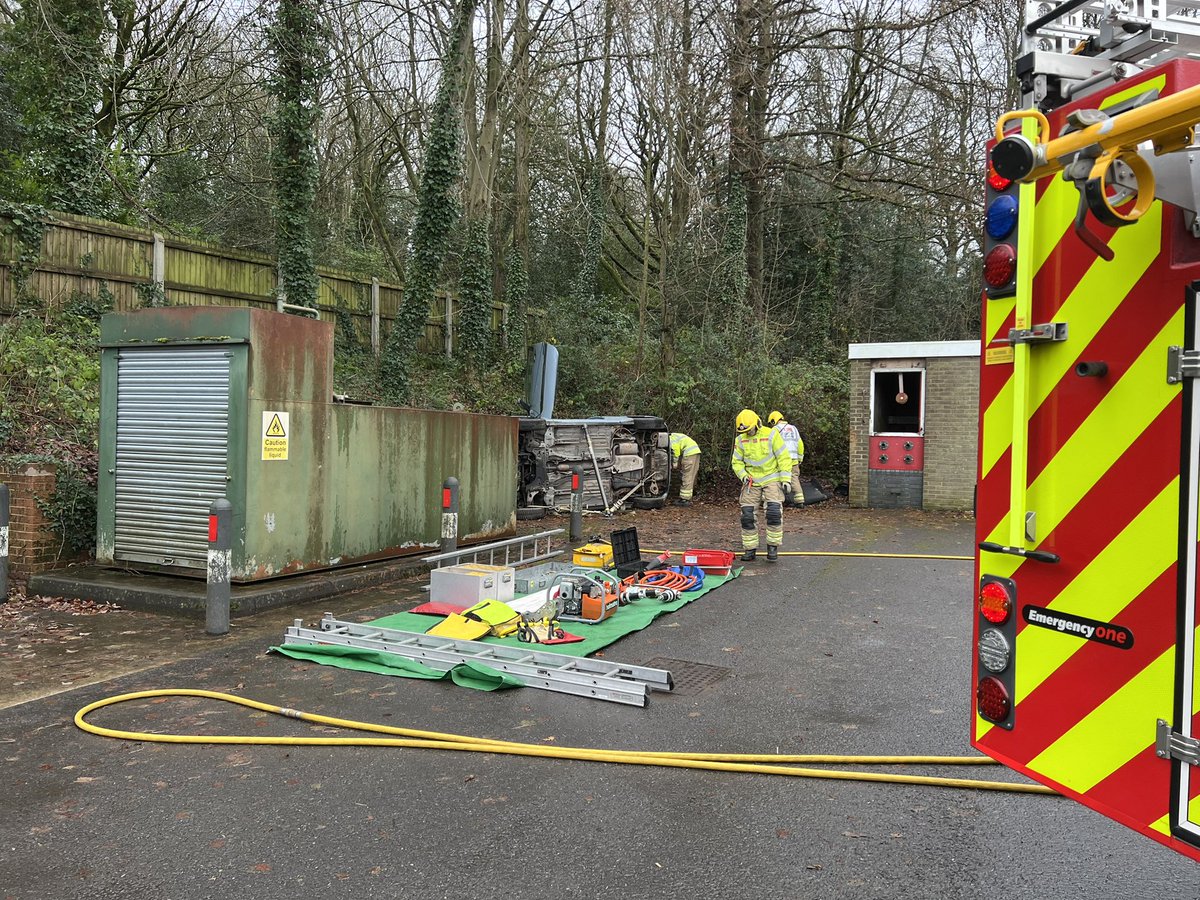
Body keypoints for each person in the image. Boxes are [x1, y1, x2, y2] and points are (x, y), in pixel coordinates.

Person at [730, 409, 792, 562]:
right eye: (744, 430)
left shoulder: (771, 435)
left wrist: (785, 479)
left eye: (750, 429)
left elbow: (783, 457)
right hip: (751, 481)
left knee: (773, 513)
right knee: (747, 515)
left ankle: (772, 547)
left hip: (772, 479)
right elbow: (737, 462)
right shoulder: (740, 440)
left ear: (756, 424)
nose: (748, 433)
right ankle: (750, 549)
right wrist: (743, 476)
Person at [767, 410, 804, 508]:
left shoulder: (775, 430)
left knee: (778, 479)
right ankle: (799, 500)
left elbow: (770, 445)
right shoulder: (794, 428)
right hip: (794, 459)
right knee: (794, 478)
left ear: (773, 421)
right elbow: (800, 444)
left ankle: (780, 500)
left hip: (782, 460)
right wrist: (800, 457)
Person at [669, 432, 701, 506]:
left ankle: (684, 499)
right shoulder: (675, 435)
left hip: (689, 453)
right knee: (692, 474)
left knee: (687, 475)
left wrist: (674, 464)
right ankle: (691, 494)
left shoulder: (671, 439)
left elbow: (675, 451)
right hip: (695, 452)